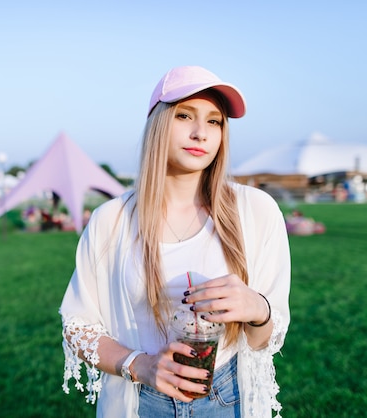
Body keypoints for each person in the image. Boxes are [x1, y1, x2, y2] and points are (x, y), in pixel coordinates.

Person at [60, 66, 291, 417]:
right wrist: (141, 364)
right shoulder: (112, 220)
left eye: (214, 121)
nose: (201, 133)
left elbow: (263, 343)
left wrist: (258, 309)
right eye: (185, 115)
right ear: (157, 122)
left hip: (228, 400)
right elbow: (78, 325)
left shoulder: (255, 211)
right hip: (141, 403)